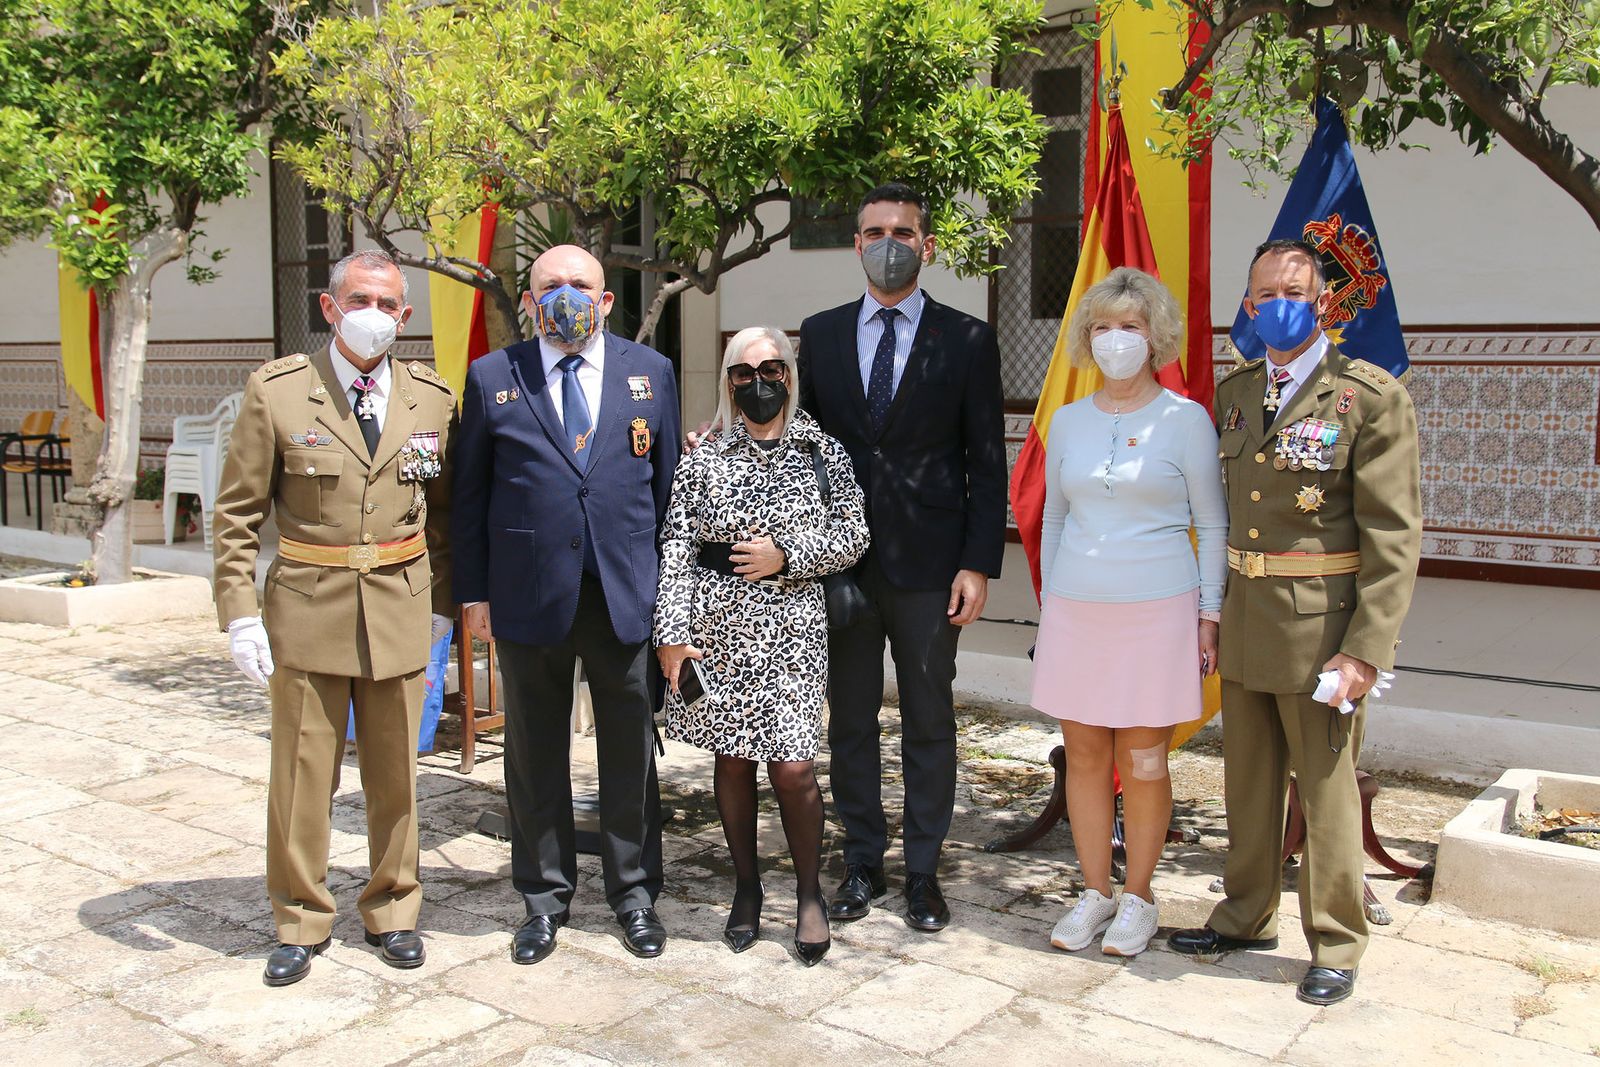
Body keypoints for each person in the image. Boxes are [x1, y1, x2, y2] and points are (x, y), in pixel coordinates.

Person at [1168, 239, 1421, 1006]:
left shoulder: (1369, 397)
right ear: (1248, 306)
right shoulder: (1239, 392)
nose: (1279, 302)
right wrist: (1211, 612)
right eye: (1265, 292)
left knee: (1324, 788)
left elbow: (1393, 537)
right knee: (1244, 782)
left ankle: (1337, 939)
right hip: (1247, 616)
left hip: (1321, 629)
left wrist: (1365, 653)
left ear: (1322, 303)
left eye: (1295, 290)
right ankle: (1245, 914)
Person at [213, 249, 456, 986]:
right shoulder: (280, 391)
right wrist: (237, 614)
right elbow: (235, 515)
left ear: (405, 316)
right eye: (360, 300)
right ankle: (299, 916)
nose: (373, 315)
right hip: (308, 608)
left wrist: (440, 605)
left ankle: (393, 908)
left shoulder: (433, 397)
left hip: (399, 607)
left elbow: (443, 516)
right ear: (329, 306)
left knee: (396, 777)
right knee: (302, 775)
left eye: (387, 304)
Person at [451, 245, 681, 966]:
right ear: (528, 299)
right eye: (551, 287)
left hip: (624, 597)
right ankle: (543, 899)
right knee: (533, 755)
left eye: (581, 285)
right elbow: (470, 497)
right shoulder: (494, 376)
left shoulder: (652, 373)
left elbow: (671, 494)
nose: (567, 297)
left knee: (629, 755)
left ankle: (634, 894)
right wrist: (473, 594)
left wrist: (673, 603)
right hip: (527, 598)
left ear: (607, 300)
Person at [797, 182, 1007, 932]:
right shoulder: (819, 334)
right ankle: (861, 860)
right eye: (875, 230)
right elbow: (804, 455)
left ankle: (923, 871)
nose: (890, 242)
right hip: (843, 566)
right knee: (850, 720)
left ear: (928, 244)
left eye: (904, 231)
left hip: (932, 565)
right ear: (856, 244)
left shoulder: (969, 339)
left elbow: (987, 459)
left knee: (927, 719)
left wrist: (978, 563)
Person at [655, 327, 869, 965]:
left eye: (770, 368)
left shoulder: (822, 452)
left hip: (794, 628)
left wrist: (787, 555)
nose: (758, 382)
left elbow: (854, 534)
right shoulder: (704, 455)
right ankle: (746, 887)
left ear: (790, 373)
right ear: (727, 381)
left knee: (794, 768)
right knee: (732, 764)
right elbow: (676, 547)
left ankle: (808, 894)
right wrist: (671, 632)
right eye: (743, 373)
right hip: (717, 631)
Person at [1029, 268, 1226, 958]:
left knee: (1143, 759)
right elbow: (1053, 517)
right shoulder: (1069, 420)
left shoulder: (1186, 419)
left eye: (1132, 326)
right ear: (1087, 338)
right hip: (1079, 612)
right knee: (1083, 755)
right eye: (1104, 326)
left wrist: (1209, 614)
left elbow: (1214, 523)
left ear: (1156, 336)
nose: (1117, 340)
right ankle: (1095, 890)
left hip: (1158, 612)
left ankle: (1139, 895)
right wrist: (1053, 600)